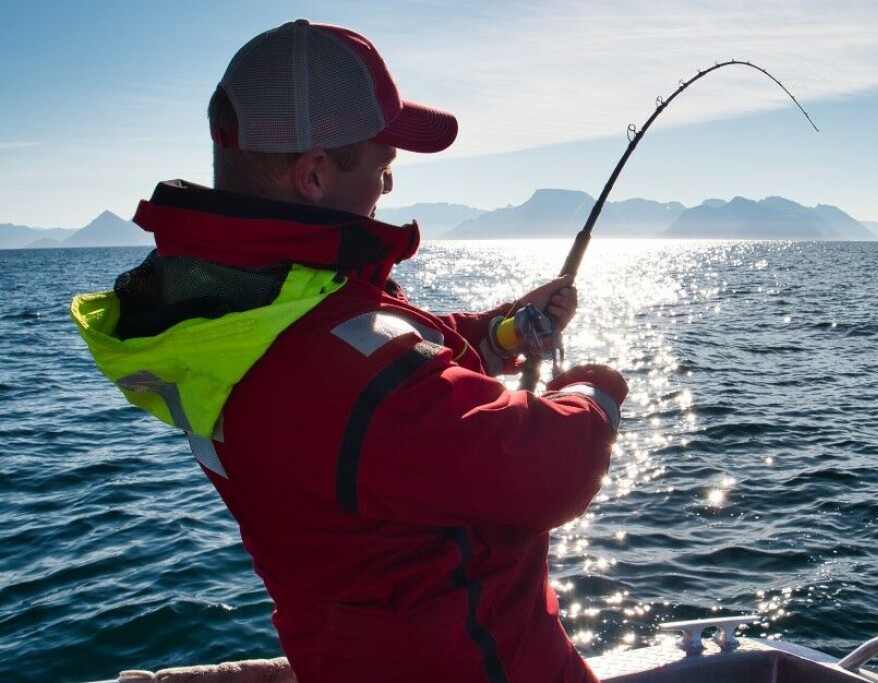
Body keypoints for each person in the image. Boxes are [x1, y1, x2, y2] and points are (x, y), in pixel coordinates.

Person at [70, 19, 626, 683]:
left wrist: (501, 331)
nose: (386, 194)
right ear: (312, 175)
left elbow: (382, 368)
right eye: (383, 172)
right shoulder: (328, 370)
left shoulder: (231, 318)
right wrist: (596, 391)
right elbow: (546, 469)